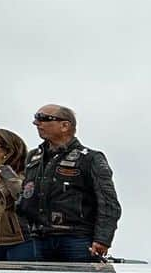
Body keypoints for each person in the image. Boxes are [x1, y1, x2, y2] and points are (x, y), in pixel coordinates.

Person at [18, 105, 121, 262]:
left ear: (65, 125)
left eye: (44, 118)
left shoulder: (90, 158)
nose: (36, 123)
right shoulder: (33, 158)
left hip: (77, 238)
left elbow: (108, 202)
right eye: (36, 118)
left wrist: (102, 239)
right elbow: (25, 195)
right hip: (38, 238)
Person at [0, 129, 37, 261]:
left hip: (18, 239)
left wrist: (5, 173)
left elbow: (25, 198)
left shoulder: (27, 173)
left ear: (8, 151)